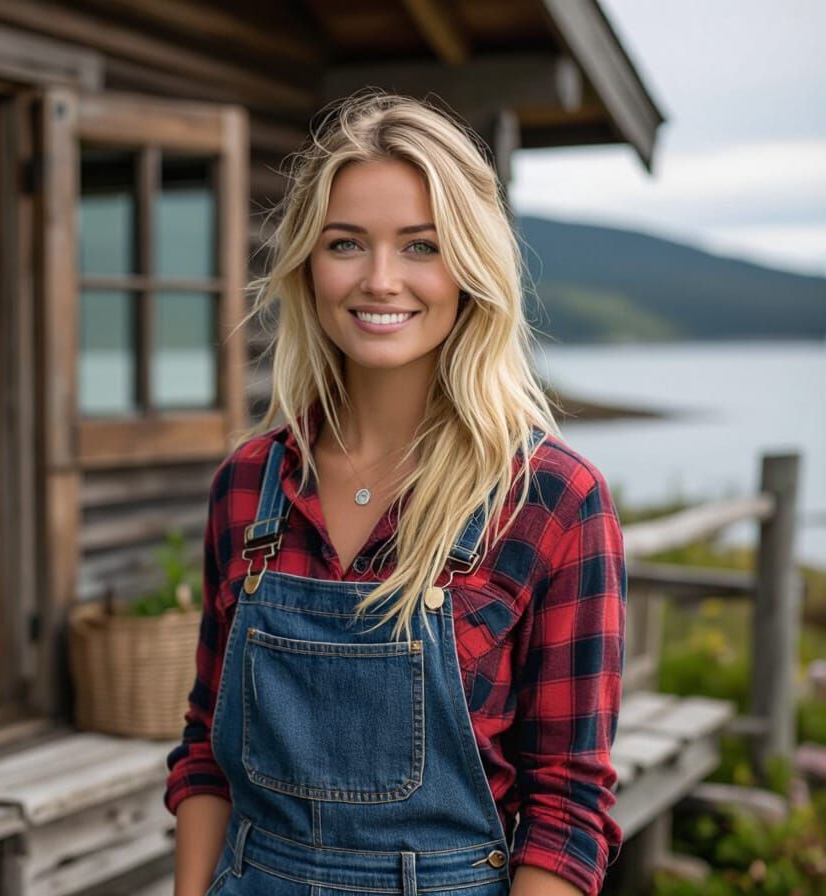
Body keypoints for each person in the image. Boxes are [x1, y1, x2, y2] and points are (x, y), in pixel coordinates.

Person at [164, 92, 626, 896]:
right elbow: (205, 748)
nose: (381, 281)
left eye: (421, 246)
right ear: (309, 262)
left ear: (471, 267)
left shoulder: (551, 501)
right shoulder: (249, 486)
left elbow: (568, 808)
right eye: (347, 243)